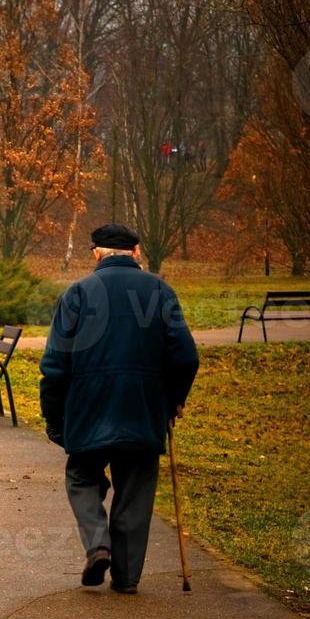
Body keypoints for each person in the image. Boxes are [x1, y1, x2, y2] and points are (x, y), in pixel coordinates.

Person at [38, 223, 199, 594]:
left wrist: (54, 417)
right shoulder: (159, 291)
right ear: (137, 251)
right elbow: (186, 356)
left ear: (97, 253)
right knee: (136, 490)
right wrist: (174, 398)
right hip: (143, 408)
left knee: (81, 476)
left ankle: (98, 545)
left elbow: (55, 365)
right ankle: (126, 579)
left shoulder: (78, 293)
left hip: (88, 407)